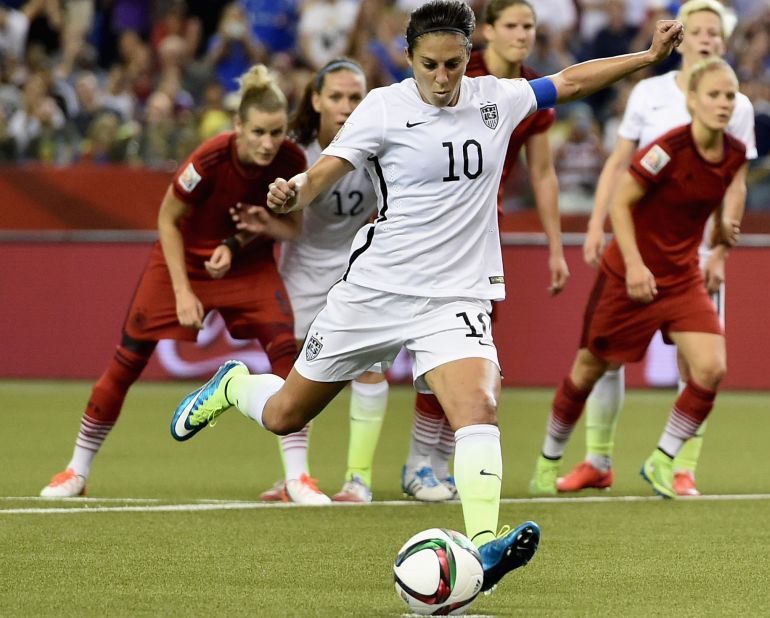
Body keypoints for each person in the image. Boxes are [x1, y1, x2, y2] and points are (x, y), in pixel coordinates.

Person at [170, 0, 683, 593]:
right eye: (430, 65)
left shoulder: (496, 97)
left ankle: (486, 545)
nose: (442, 79)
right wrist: (294, 192)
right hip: (376, 290)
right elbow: (325, 172)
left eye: (454, 65)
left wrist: (646, 57)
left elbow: (569, 80)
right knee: (287, 413)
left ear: (470, 57)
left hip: (455, 296)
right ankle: (234, 385)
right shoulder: (384, 107)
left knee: (479, 408)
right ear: (409, 59)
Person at [40, 65, 322, 502]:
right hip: (184, 263)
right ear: (238, 127)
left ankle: (297, 478)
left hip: (246, 266)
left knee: (286, 352)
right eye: (259, 132)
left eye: (276, 132)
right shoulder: (208, 159)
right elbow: (167, 221)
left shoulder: (292, 161)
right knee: (128, 359)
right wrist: (183, 291)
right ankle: (75, 471)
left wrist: (260, 227)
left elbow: (293, 229)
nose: (269, 143)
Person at [538, 0, 754, 498]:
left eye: (714, 35)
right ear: (682, 40)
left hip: (693, 255)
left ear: (723, 43)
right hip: (636, 243)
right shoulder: (652, 94)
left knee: (701, 363)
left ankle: (679, 466)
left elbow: (733, 183)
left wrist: (721, 247)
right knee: (603, 358)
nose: (705, 40)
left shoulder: (734, 104)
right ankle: (596, 458)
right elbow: (619, 166)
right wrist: (596, 224)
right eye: (697, 31)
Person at [400, 0, 571, 504]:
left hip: (479, 232)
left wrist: (556, 245)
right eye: (512, 25)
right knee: (418, 345)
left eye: (530, 26)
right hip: (420, 227)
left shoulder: (528, 92)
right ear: (487, 33)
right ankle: (380, 467)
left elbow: (542, 172)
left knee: (466, 345)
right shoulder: (453, 71)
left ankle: (426, 462)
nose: (522, 35)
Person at [234, 58, 383, 504]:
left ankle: (358, 480)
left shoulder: (383, 142)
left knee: (370, 369)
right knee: (292, 368)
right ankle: (295, 476)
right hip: (301, 270)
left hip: (360, 267)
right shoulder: (293, 150)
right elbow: (285, 217)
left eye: (355, 97)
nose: (345, 106)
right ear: (316, 100)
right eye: (335, 96)